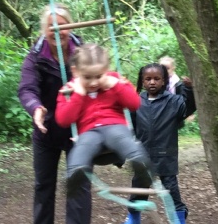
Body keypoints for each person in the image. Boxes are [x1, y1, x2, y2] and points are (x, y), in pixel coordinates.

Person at [18, 3, 94, 224]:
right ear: (44, 30)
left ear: (70, 27)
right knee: (43, 182)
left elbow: (99, 80)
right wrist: (36, 108)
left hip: (78, 129)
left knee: (78, 183)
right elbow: (26, 88)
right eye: (51, 26)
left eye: (62, 26)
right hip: (46, 127)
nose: (57, 31)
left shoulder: (84, 53)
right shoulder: (35, 55)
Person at [55, 43, 153, 202]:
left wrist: (115, 85)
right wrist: (78, 94)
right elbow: (63, 120)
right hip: (89, 133)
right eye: (87, 77)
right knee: (82, 147)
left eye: (99, 76)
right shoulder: (70, 89)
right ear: (75, 71)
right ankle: (74, 175)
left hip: (114, 126)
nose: (94, 82)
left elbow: (135, 104)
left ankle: (141, 164)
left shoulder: (115, 81)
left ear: (106, 70)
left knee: (121, 138)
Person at [119, 63, 196, 224]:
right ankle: (134, 217)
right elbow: (130, 126)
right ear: (142, 81)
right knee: (139, 189)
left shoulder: (173, 101)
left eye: (156, 79)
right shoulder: (136, 102)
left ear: (164, 81)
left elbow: (188, 108)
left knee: (171, 190)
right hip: (142, 155)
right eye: (148, 79)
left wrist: (189, 90)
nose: (152, 82)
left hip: (165, 155)